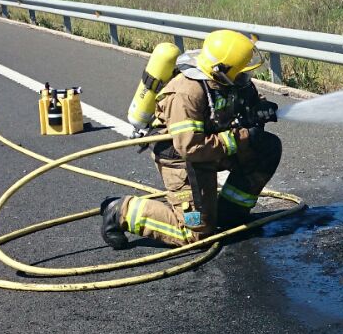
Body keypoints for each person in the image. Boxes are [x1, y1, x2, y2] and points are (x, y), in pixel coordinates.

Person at [101, 30, 282, 248]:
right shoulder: (186, 93)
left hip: (213, 148)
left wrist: (260, 107)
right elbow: (190, 147)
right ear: (220, 70)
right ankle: (121, 210)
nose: (245, 77)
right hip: (183, 160)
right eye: (241, 72)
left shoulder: (231, 80)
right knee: (196, 233)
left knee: (267, 148)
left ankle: (230, 213)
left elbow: (246, 98)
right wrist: (243, 137)